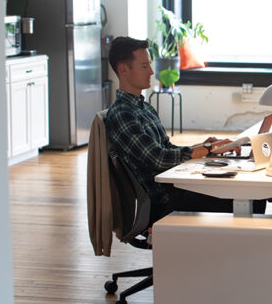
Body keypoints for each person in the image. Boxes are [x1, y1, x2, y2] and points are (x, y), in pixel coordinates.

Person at [104, 36, 262, 224]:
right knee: (252, 198)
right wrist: (207, 150)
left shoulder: (144, 108)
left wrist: (207, 145)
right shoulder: (123, 114)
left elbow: (167, 148)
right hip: (165, 201)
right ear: (124, 70)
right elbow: (159, 158)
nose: (152, 72)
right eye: (144, 66)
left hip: (175, 189)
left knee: (249, 191)